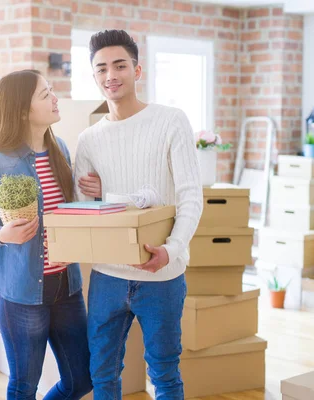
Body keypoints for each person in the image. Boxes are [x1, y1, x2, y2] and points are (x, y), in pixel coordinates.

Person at [74, 30, 203, 399]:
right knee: (102, 373)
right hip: (107, 277)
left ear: (137, 70)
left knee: (163, 373)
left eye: (120, 66)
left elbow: (191, 197)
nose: (111, 75)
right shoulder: (89, 140)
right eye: (102, 69)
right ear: (94, 76)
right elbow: (83, 209)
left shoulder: (171, 120)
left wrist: (172, 249)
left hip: (161, 273)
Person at [0, 69, 101, 400]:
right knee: (24, 386)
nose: (55, 98)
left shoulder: (61, 150)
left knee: (81, 379)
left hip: (66, 287)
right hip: (21, 293)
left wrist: (96, 193)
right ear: (23, 109)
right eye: (45, 95)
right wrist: (1, 235)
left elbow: (69, 212)